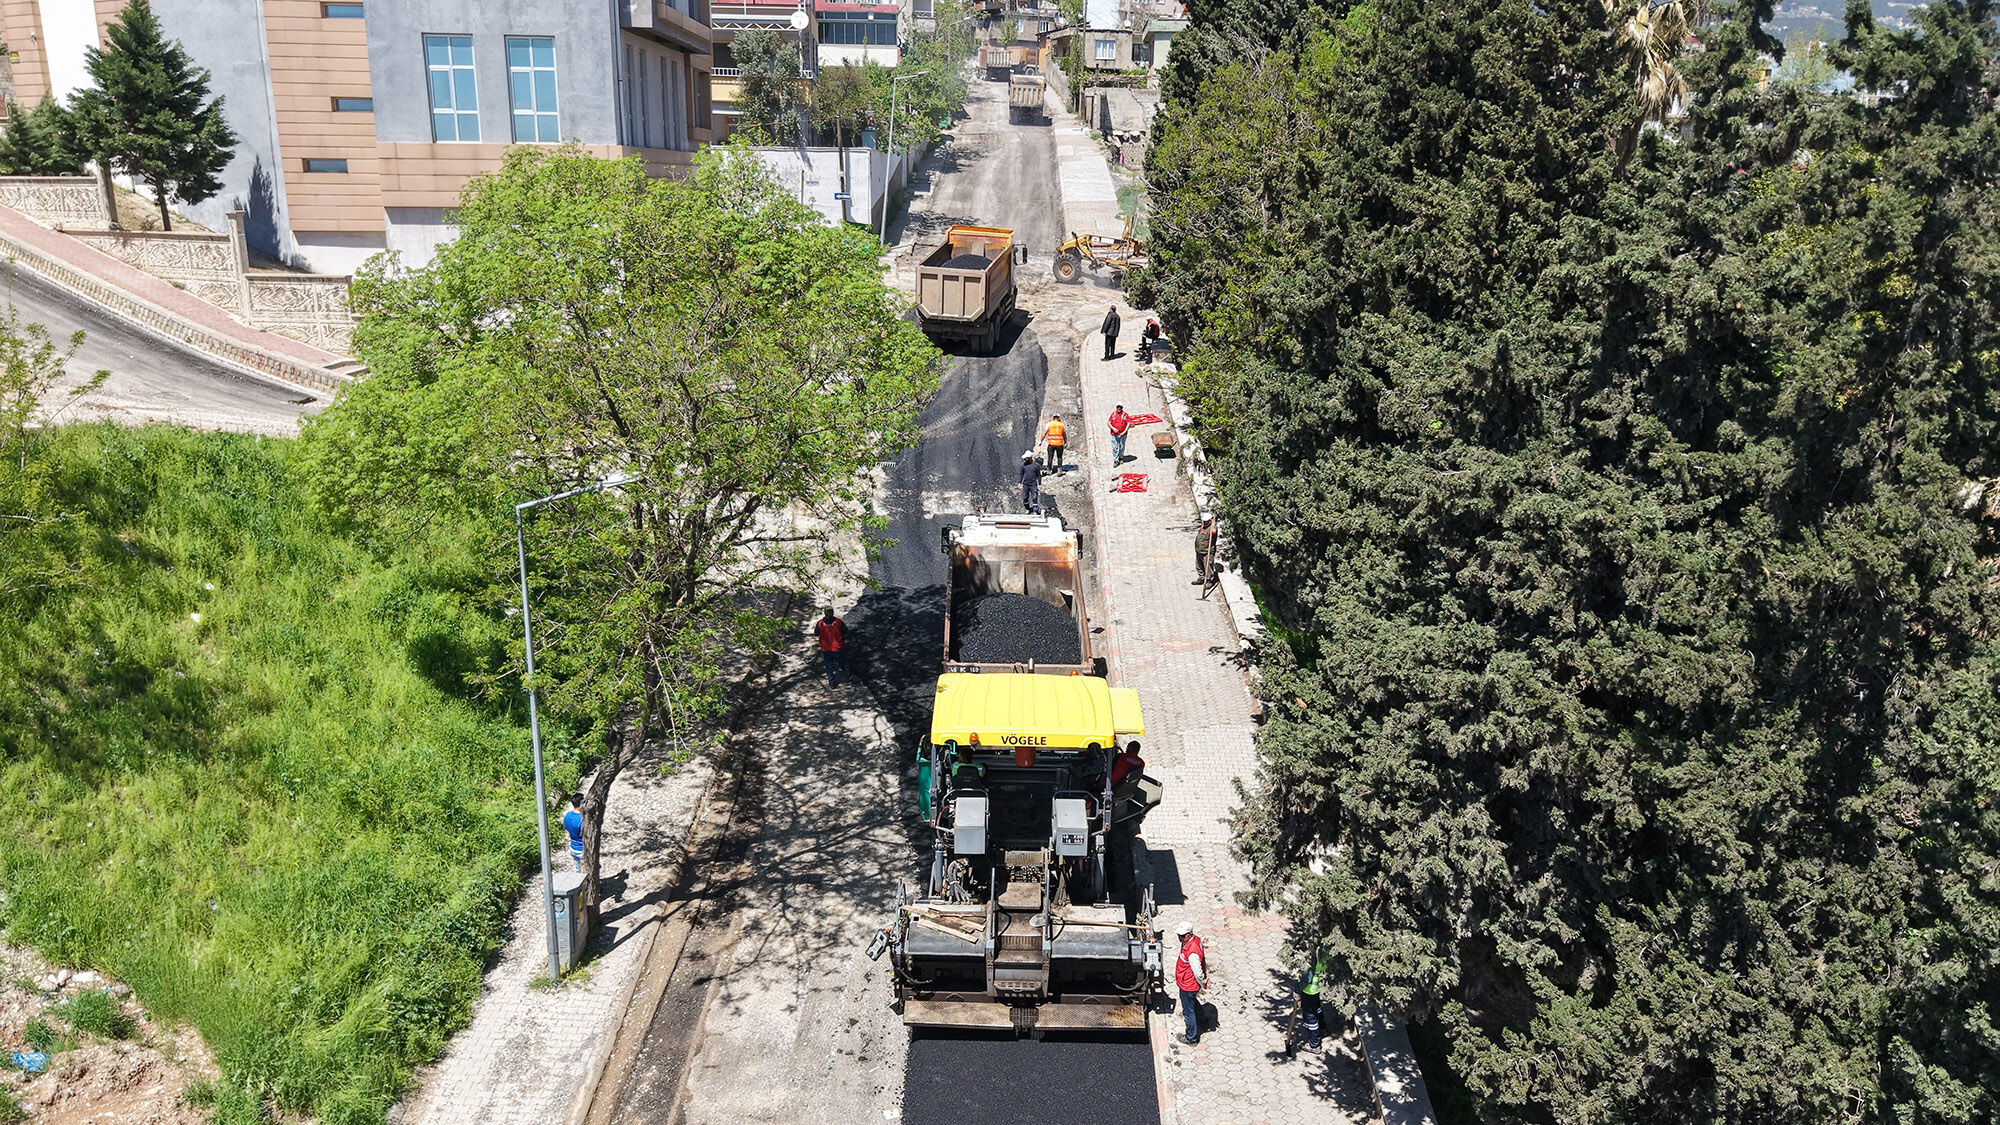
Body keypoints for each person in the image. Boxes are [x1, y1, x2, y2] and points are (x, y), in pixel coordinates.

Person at [1174, 920, 1208, 1045]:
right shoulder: (1193, 941)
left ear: (1189, 934)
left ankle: (1191, 1038)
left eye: (1182, 935)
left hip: (1188, 985)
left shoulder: (1192, 952)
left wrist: (1203, 982)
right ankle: (1203, 1020)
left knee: (1188, 1012)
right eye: (1179, 935)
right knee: (1192, 1002)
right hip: (1189, 984)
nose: (1180, 937)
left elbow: (1198, 972)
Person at [1298, 954, 1329, 1053]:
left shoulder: (1316, 953)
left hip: (1308, 990)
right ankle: (1322, 1028)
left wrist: (1296, 991)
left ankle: (1314, 1045)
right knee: (1317, 1009)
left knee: (1310, 1017)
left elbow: (1308, 976)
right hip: (1317, 989)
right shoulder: (1326, 951)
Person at [815, 607, 852, 686]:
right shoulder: (838, 622)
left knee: (829, 666)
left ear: (825, 613)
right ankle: (850, 678)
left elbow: (816, 633)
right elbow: (846, 631)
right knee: (844, 663)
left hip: (825, 648)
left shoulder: (820, 623)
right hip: (837, 647)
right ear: (833, 612)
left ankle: (831, 682)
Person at [1194, 511, 1219, 593]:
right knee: (1199, 565)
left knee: (1208, 566)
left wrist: (1213, 522)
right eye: (1203, 521)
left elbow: (1214, 531)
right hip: (1199, 550)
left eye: (1206, 521)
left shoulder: (1212, 528)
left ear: (1209, 521)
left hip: (1207, 551)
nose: (1204, 523)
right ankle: (1201, 578)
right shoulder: (1203, 526)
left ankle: (1209, 581)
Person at [562, 795, 585, 872]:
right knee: (585, 872)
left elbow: (567, 828)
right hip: (582, 849)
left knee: (577, 869)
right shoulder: (582, 819)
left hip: (573, 847)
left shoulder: (567, 816)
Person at [1107, 404, 1132, 468]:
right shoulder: (1113, 414)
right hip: (1114, 434)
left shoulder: (1125, 415)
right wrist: (1113, 428)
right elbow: (1109, 423)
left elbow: (1129, 423)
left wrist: (1124, 431)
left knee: (1122, 447)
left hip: (1123, 434)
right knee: (1115, 447)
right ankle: (1116, 460)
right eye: (1118, 408)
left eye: (1120, 408)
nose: (1119, 409)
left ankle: (1121, 457)